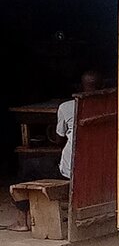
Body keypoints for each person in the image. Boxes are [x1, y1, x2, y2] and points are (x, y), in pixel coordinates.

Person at [7, 71, 100, 232]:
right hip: (95, 168)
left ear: (80, 87)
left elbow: (58, 139)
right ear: (102, 86)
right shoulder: (112, 106)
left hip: (68, 171)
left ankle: (22, 219)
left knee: (27, 166)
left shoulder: (67, 107)